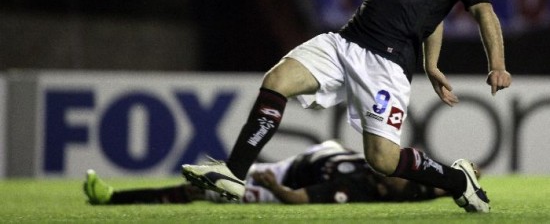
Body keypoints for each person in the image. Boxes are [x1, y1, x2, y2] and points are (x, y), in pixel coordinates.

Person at [181, 0, 512, 213]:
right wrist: (431, 64)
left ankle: (459, 181)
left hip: (386, 64)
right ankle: (234, 173)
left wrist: (498, 65)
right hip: (344, 44)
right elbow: (430, 15)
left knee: (383, 161)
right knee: (276, 80)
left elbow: (484, 12)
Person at [83, 140, 460, 205]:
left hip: (282, 180)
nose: (398, 171)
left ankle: (113, 198)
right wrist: (463, 179)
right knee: (211, 176)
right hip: (293, 163)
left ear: (383, 190)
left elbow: (298, 200)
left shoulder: (355, 188)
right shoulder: (414, 184)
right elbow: (445, 186)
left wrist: (272, 186)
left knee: (200, 190)